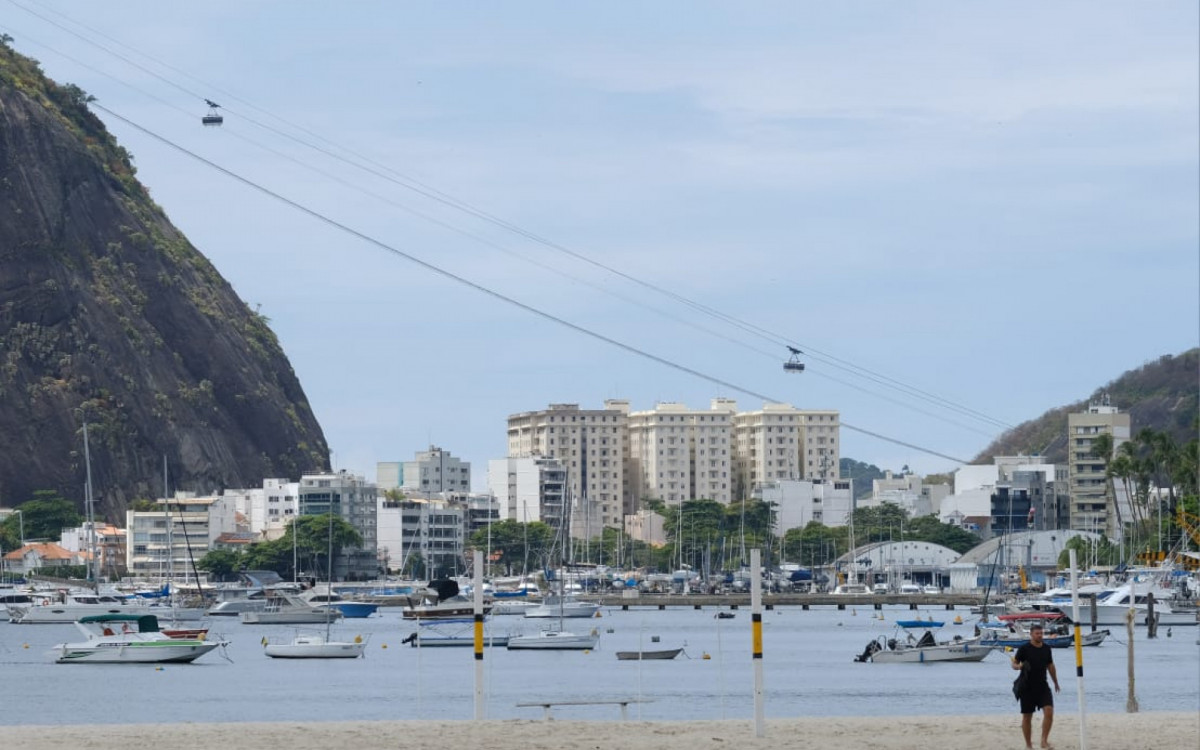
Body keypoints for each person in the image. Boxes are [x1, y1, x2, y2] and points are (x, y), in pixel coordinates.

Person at [1011, 622, 1061, 749]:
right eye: (1037, 634)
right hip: (1026, 687)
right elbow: (1014, 664)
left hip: (1042, 686)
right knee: (1027, 716)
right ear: (1031, 634)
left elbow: (1050, 665)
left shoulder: (1046, 648)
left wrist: (1055, 681)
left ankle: (1044, 741)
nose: (1040, 636)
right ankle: (1028, 745)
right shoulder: (1024, 648)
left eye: (1041, 633)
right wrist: (1019, 666)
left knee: (1049, 712)